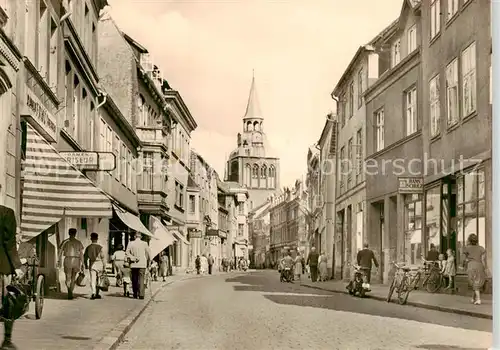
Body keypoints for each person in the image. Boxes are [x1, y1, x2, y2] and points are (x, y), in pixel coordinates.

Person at [0, 206, 24, 349]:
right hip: (2, 265)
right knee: (8, 301)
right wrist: (17, 266)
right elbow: (9, 243)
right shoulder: (6, 213)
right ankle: (7, 340)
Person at [58, 228, 84, 300]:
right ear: (75, 234)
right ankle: (71, 291)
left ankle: (69, 291)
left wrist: (58, 260)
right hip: (76, 260)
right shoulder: (78, 242)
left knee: (67, 277)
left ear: (69, 233)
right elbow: (81, 253)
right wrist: (83, 263)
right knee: (73, 278)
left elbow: (60, 252)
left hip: (68, 259)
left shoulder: (65, 242)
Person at [463, 233, 487, 305]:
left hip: (471, 266)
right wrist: (485, 268)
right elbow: (483, 260)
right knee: (477, 282)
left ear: (469, 240)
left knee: (474, 282)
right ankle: (473, 298)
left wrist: (463, 265)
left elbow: (464, 259)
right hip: (480, 266)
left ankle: (478, 299)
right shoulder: (481, 248)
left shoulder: (466, 248)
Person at [126, 232, 151, 299]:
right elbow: (149, 253)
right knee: (141, 279)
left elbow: (127, 252)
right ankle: (141, 294)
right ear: (141, 237)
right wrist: (149, 262)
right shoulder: (145, 243)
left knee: (134, 279)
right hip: (142, 263)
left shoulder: (130, 243)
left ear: (134, 236)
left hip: (134, 263)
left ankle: (135, 293)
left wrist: (133, 258)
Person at [83, 233, 106, 300]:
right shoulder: (100, 247)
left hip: (92, 264)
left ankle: (93, 292)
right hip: (99, 264)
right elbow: (103, 258)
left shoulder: (88, 247)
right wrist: (104, 267)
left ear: (91, 238)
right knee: (99, 279)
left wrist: (86, 265)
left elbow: (85, 257)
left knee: (92, 279)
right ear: (97, 238)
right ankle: (97, 293)